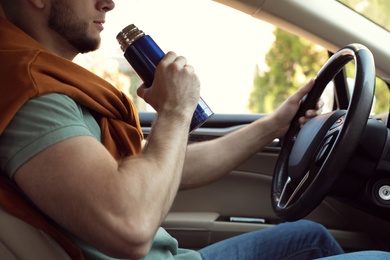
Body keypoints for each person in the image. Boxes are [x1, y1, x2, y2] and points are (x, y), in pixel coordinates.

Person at [0, 0, 356, 259]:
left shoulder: (55, 87)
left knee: (310, 236)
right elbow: (131, 227)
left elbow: (156, 169)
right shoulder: (33, 93)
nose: (108, 3)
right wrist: (175, 109)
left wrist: (275, 124)